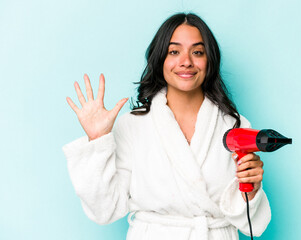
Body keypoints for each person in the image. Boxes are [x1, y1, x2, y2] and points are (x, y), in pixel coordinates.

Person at [63, 13, 271, 240]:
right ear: (159, 58)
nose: (186, 61)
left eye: (198, 52)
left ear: (209, 60)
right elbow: (105, 209)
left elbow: (252, 225)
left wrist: (251, 189)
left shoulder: (235, 126)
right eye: (174, 51)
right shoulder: (133, 125)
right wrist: (97, 140)